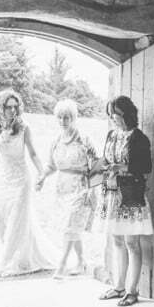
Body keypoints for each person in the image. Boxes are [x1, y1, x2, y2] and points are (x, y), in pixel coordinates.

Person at [0, 89, 51, 276]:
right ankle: (19, 255)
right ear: (1, 108)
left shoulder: (24, 128)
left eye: (15, 107)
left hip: (21, 180)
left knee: (17, 221)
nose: (12, 110)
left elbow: (32, 153)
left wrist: (42, 173)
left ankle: (8, 262)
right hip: (3, 179)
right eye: (8, 107)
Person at [95, 96, 154, 307]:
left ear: (127, 114)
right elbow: (106, 160)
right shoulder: (111, 135)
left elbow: (146, 166)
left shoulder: (139, 138)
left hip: (130, 195)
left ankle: (132, 290)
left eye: (117, 114)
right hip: (112, 193)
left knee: (132, 243)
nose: (113, 118)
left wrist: (123, 168)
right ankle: (118, 286)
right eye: (110, 114)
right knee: (117, 241)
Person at [36, 99, 98, 278]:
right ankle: (81, 261)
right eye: (60, 118)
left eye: (67, 117)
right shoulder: (55, 141)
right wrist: (42, 177)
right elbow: (51, 165)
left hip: (82, 187)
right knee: (72, 228)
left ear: (74, 118)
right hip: (63, 188)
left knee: (70, 227)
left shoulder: (84, 140)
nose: (63, 121)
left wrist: (92, 190)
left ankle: (62, 265)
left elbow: (97, 167)